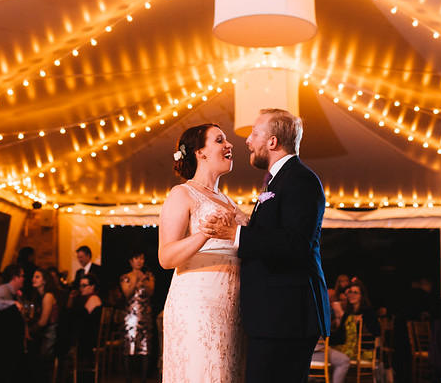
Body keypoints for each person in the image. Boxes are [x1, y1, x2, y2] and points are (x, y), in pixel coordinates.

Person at [202, 108, 331, 383]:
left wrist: (235, 234)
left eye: (254, 133)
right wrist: (249, 225)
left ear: (272, 142)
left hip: (286, 314)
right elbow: (279, 235)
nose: (248, 141)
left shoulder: (301, 180)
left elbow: (296, 244)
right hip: (273, 314)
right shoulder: (279, 180)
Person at [159, 123, 248, 382]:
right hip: (198, 306)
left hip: (232, 306)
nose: (229, 145)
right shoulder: (182, 194)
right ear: (201, 152)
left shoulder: (229, 201)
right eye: (220, 140)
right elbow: (166, 257)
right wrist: (204, 234)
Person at [120, 250, 155, 383]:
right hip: (130, 318)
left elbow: (151, 292)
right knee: (129, 348)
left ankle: (144, 379)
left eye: (141, 259)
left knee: (146, 348)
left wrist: (144, 281)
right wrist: (136, 281)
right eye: (136, 259)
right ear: (131, 261)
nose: (139, 261)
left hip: (145, 315)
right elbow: (127, 293)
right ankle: (128, 379)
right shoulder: (126, 277)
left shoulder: (149, 275)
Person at [29, 267, 60, 361]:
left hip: (50, 333)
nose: (33, 279)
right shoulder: (38, 296)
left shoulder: (48, 296)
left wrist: (28, 331)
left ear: (45, 281)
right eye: (33, 277)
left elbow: (43, 321)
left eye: (37, 277)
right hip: (44, 331)